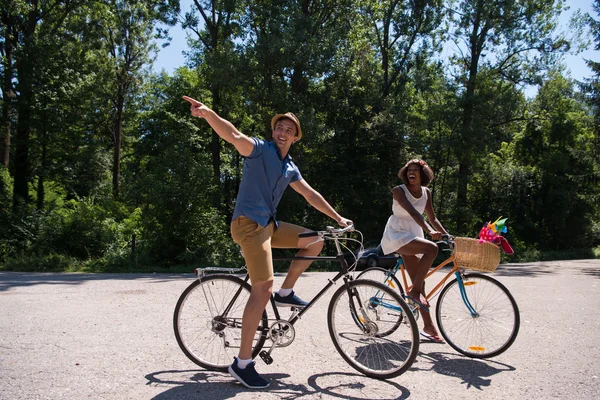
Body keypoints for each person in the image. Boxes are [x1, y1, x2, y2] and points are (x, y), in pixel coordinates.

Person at [183, 96, 352, 389]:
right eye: (279, 127)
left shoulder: (290, 167)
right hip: (249, 224)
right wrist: (209, 114)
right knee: (262, 287)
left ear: (295, 137)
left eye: (288, 129)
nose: (282, 132)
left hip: (269, 225)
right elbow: (233, 134)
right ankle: (242, 363)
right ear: (273, 132)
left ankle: (286, 293)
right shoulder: (260, 150)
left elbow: (310, 195)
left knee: (314, 241)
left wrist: (338, 219)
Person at [380, 159, 448, 343]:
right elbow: (413, 213)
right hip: (397, 233)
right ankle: (414, 293)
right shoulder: (398, 190)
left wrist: (447, 235)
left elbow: (432, 218)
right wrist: (429, 232)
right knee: (431, 248)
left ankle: (428, 326)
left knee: (420, 282)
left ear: (422, 174)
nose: (411, 172)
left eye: (415, 170)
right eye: (409, 170)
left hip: (414, 233)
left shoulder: (426, 193)